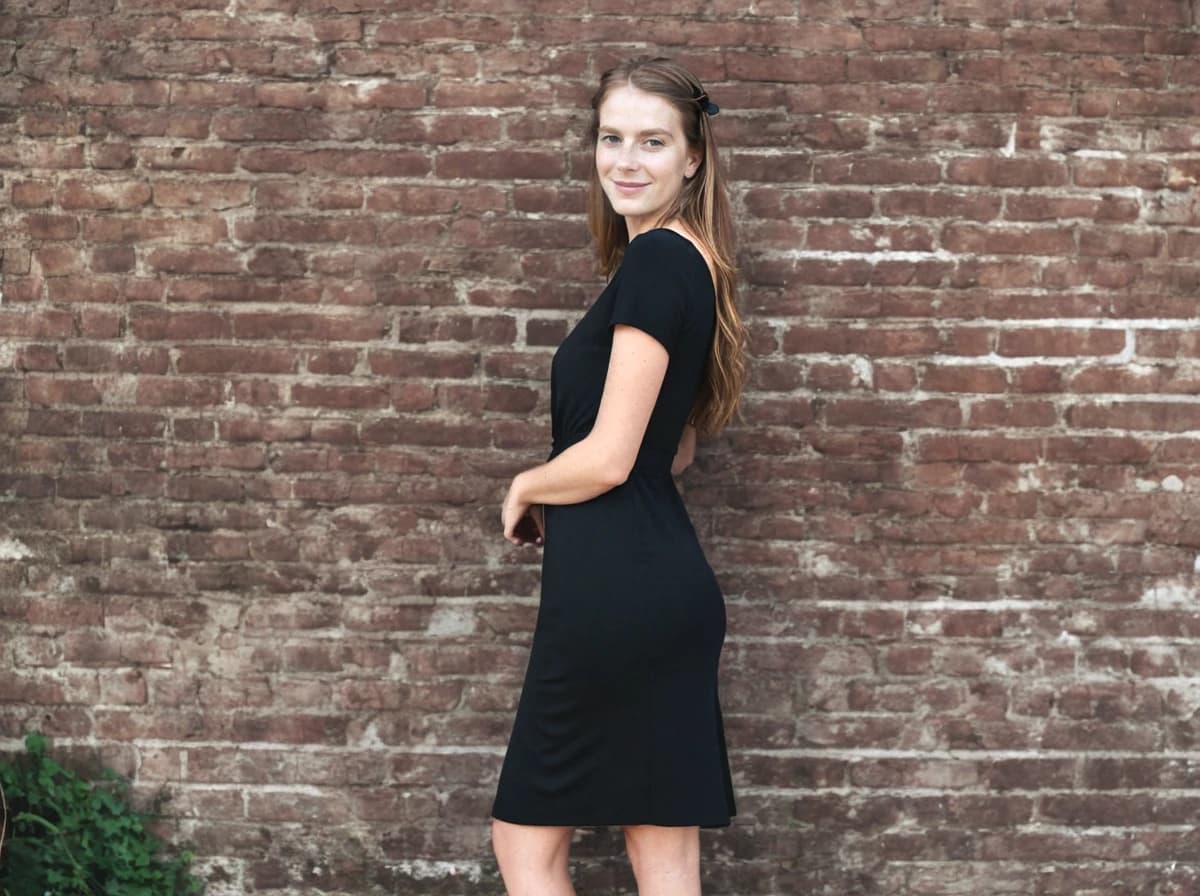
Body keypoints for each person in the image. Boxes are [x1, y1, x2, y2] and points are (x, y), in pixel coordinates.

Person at [491, 56, 747, 896]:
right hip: (653, 586)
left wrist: (529, 486)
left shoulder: (654, 267)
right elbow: (673, 450)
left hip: (617, 594)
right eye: (611, 138)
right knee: (663, 856)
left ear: (693, 157)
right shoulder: (691, 263)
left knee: (527, 843)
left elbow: (610, 458)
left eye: (652, 140)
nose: (626, 161)